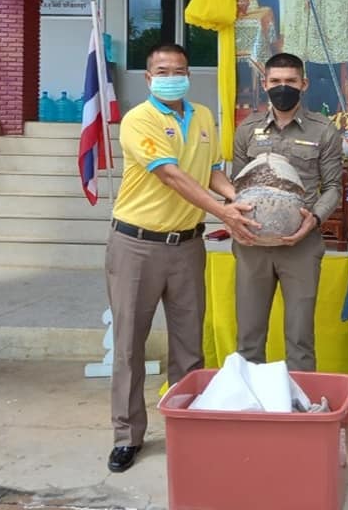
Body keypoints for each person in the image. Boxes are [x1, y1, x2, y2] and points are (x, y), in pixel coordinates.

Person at [105, 43, 258, 473]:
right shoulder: (139, 119)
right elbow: (171, 175)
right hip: (137, 245)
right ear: (148, 78)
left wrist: (237, 197)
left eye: (179, 70)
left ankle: (188, 427)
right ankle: (127, 435)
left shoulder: (203, 116)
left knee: (189, 345)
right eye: (163, 71)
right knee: (129, 346)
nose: (172, 77)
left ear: (189, 75)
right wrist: (224, 212)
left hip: (188, 245)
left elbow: (210, 170)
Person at [232, 52, 343, 370]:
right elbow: (235, 186)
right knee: (249, 338)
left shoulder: (323, 130)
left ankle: (299, 400)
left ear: (304, 84)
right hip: (252, 245)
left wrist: (314, 219)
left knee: (300, 339)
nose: (284, 87)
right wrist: (234, 217)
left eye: (291, 81)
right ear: (265, 84)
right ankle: (250, 398)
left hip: (301, 245)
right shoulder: (247, 129)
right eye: (276, 81)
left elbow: (333, 187)